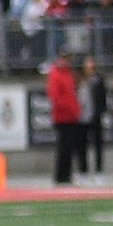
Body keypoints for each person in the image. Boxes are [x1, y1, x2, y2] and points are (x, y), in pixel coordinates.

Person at [47, 53, 86, 185]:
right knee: (64, 147)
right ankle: (61, 175)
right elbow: (55, 96)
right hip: (62, 116)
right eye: (63, 58)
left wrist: (75, 110)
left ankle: (66, 175)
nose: (65, 61)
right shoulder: (55, 74)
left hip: (71, 116)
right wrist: (69, 109)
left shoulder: (68, 74)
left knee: (69, 147)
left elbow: (72, 94)